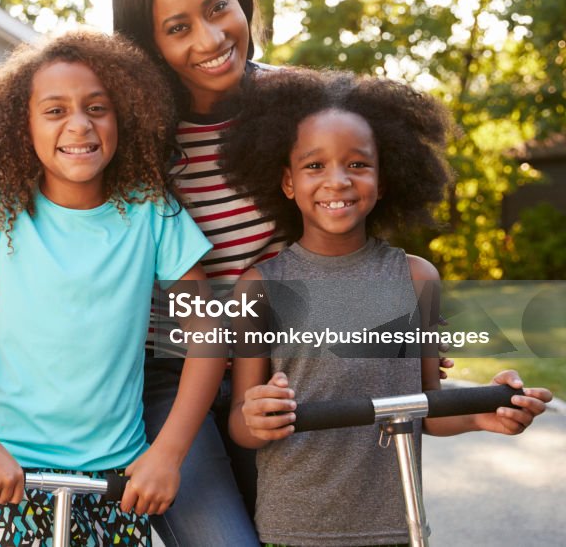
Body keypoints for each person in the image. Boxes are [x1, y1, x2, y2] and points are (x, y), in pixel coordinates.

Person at [0, 0, 457, 545]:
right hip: (170, 379)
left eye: (217, 7)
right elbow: (73, 245)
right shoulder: (131, 127)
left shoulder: (302, 110)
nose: (209, 38)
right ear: (146, 42)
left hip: (291, 367)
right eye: (176, 28)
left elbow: (349, 226)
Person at [0, 30, 230, 547]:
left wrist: (168, 453)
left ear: (123, 117)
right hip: (13, 475)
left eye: (97, 107)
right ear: (21, 127)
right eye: (55, 111)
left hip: (119, 480)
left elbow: (209, 334)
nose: (80, 124)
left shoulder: (153, 212)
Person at [223, 67, 553, 546]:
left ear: (383, 178)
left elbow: (427, 408)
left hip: (399, 526)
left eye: (357, 164)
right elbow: (239, 422)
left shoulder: (417, 279)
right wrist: (255, 417)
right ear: (288, 182)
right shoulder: (259, 287)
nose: (337, 181)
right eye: (315, 166)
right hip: (292, 529)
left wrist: (484, 412)